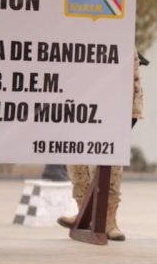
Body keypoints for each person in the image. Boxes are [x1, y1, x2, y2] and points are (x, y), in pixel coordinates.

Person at [57, 50, 144, 241]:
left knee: (111, 168)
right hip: (76, 107)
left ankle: (110, 221)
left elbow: (134, 80)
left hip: (111, 109)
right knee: (76, 164)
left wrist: (134, 113)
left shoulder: (123, 38)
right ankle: (83, 214)